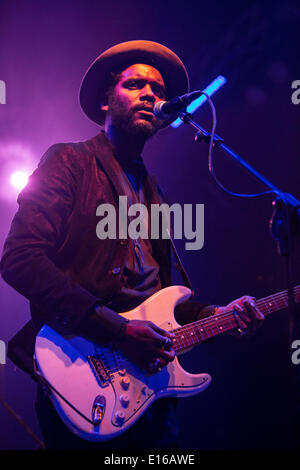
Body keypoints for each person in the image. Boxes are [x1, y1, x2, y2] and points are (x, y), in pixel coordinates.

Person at [0, 40, 264, 450]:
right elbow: (19, 258)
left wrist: (216, 314)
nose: (151, 96)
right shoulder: (69, 162)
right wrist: (118, 330)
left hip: (151, 395)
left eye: (158, 91)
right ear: (107, 101)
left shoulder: (155, 194)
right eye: (136, 85)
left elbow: (158, 298)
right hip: (86, 377)